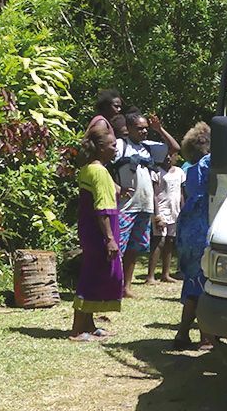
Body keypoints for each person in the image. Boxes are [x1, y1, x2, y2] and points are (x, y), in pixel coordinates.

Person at [112, 109, 179, 294]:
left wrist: (159, 129)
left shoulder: (148, 147)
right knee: (119, 248)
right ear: (129, 128)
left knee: (134, 249)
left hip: (145, 206)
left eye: (146, 128)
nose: (144, 132)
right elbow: (102, 165)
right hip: (125, 206)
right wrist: (117, 188)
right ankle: (113, 286)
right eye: (140, 129)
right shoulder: (119, 145)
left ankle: (126, 287)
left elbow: (174, 148)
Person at [71, 120, 123, 341]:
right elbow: (101, 208)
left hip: (90, 227)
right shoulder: (99, 172)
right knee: (92, 275)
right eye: (112, 145)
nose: (116, 149)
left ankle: (89, 324)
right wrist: (109, 239)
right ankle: (77, 328)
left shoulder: (90, 168)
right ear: (101, 148)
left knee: (96, 272)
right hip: (100, 229)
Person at [174, 122, 213, 349]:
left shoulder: (190, 168)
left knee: (192, 283)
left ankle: (182, 334)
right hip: (202, 228)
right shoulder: (207, 164)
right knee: (205, 283)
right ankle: (206, 337)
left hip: (188, 229)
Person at [152, 152, 186, 281]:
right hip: (162, 210)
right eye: (165, 155)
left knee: (170, 241)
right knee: (158, 240)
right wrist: (157, 215)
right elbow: (154, 195)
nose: (168, 157)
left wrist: (183, 210)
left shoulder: (179, 172)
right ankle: (150, 275)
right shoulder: (157, 172)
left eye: (171, 155)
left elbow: (181, 193)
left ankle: (165, 274)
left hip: (175, 211)